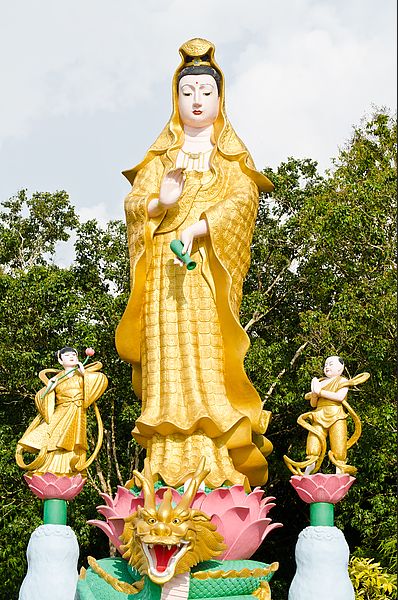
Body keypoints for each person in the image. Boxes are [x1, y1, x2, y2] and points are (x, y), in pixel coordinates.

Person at [115, 38, 274, 490]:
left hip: (202, 269)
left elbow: (244, 201)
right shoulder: (162, 157)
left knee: (206, 357)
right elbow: (134, 203)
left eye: (206, 91)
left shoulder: (230, 158)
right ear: (176, 99)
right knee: (166, 365)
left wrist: (201, 227)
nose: (197, 100)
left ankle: (215, 465)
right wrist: (157, 202)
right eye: (188, 93)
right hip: (164, 271)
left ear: (220, 99)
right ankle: (164, 466)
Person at [16, 347, 108, 476]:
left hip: (77, 411)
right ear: (60, 360)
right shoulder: (57, 379)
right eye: (67, 355)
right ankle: (50, 467)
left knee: (75, 440)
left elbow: (99, 381)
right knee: (53, 436)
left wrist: (84, 374)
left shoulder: (84, 374)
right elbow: (42, 398)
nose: (71, 357)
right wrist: (49, 388)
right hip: (61, 411)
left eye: (74, 355)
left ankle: (70, 468)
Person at [284, 356, 369, 475]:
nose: (327, 367)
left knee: (339, 449)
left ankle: (339, 473)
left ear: (340, 368)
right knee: (313, 445)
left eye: (331, 364)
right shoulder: (319, 382)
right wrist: (314, 394)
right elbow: (313, 404)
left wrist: (320, 392)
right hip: (319, 414)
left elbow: (340, 397)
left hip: (337, 415)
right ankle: (307, 473)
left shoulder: (342, 381)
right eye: (325, 365)